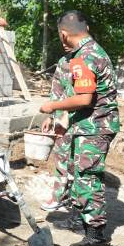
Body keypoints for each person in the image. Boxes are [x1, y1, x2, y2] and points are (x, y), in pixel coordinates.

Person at [39, 10, 120, 245]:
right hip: (88, 125)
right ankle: (81, 223)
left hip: (95, 126)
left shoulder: (84, 56)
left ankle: (94, 235)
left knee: (88, 177)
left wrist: (52, 106)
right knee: (79, 173)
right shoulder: (90, 50)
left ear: (64, 34)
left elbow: (84, 99)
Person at [39, 51, 75, 213]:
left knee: (79, 162)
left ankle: (74, 196)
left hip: (83, 120)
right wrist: (51, 117)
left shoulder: (89, 59)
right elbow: (57, 91)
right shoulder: (63, 61)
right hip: (62, 119)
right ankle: (59, 196)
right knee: (61, 156)